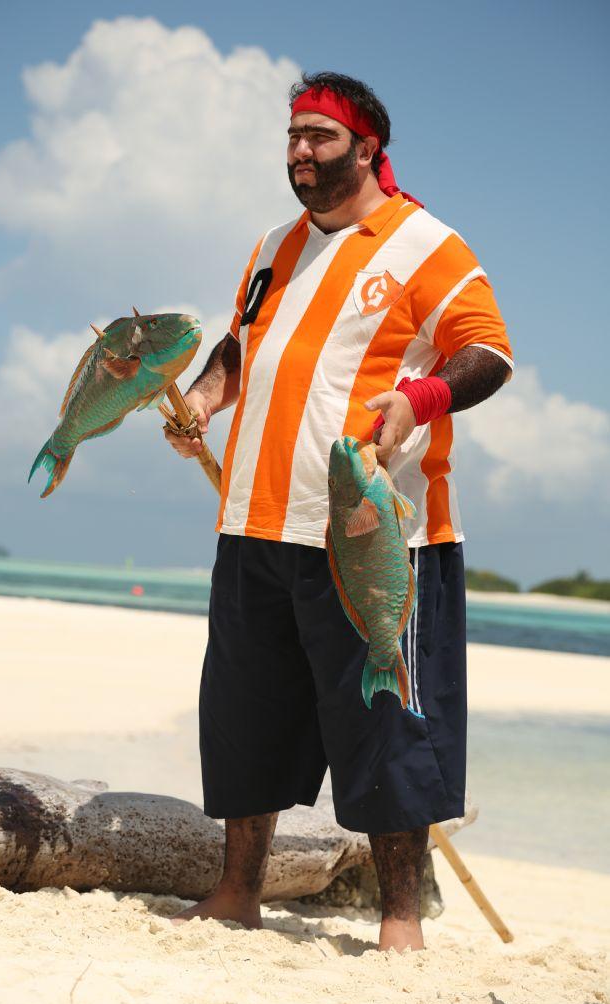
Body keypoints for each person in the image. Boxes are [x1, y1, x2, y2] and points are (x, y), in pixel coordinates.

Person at [165, 71, 513, 952]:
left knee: (388, 720)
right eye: (292, 137)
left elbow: (489, 352)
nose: (299, 153)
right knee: (244, 718)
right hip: (252, 519)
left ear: (366, 147)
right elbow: (241, 345)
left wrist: (421, 399)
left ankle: (400, 922)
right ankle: (237, 892)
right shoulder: (273, 248)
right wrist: (205, 399)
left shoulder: (423, 242)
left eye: (319, 137)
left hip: (371, 530)